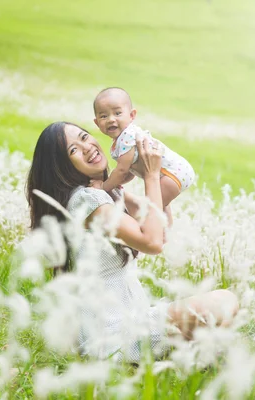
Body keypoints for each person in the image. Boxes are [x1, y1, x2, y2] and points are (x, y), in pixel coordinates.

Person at [25, 121, 238, 363]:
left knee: (223, 306)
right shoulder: (87, 200)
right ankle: (186, 356)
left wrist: (161, 173)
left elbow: (161, 228)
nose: (87, 147)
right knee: (223, 302)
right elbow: (153, 242)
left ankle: (190, 356)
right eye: (73, 150)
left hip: (134, 320)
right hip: (111, 337)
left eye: (84, 137)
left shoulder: (105, 192)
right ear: (61, 167)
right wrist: (151, 176)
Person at [91, 87, 195, 226]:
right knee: (159, 206)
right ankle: (167, 235)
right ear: (97, 123)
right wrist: (117, 184)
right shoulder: (122, 140)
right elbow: (129, 172)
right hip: (173, 174)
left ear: (132, 115)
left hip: (172, 174)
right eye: (104, 116)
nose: (111, 119)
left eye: (117, 113)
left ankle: (158, 237)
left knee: (150, 210)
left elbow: (121, 171)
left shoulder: (128, 137)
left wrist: (104, 187)